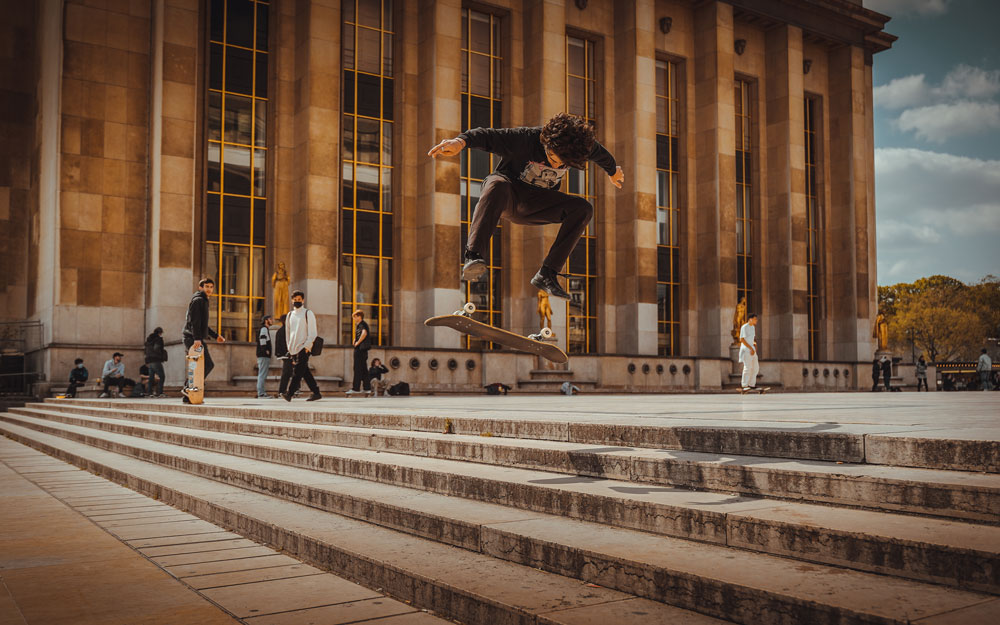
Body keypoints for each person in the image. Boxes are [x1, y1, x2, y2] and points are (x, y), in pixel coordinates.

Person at [428, 112, 624, 299]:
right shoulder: (526, 138)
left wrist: (613, 171)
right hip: (508, 197)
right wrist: (460, 142)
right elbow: (487, 136)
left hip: (536, 205)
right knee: (497, 183)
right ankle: (473, 256)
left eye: (562, 164)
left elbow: (603, 156)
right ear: (547, 143)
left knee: (583, 209)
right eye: (553, 158)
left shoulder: (580, 147)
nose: (556, 166)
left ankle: (548, 273)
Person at [182, 277, 226, 403]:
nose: (209, 289)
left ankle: (187, 394)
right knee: (207, 364)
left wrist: (216, 335)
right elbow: (195, 321)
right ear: (200, 288)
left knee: (196, 366)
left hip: (194, 337)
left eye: (211, 287)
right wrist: (196, 338)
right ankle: (187, 388)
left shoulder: (203, 300)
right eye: (206, 287)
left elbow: (203, 324)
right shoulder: (198, 300)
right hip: (192, 338)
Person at [282, 290, 321, 402]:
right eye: (295, 299)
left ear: (303, 300)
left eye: (299, 299)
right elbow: (288, 333)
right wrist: (289, 348)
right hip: (293, 349)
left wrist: (306, 347)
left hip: (304, 348)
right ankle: (316, 392)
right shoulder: (289, 315)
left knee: (298, 372)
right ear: (292, 300)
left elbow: (313, 333)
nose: (297, 301)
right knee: (304, 372)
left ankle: (289, 393)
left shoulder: (308, 313)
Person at [347, 310, 372, 395]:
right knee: (364, 369)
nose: (353, 319)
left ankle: (356, 388)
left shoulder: (362, 324)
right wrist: (355, 339)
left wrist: (358, 342)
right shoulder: (360, 325)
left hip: (360, 350)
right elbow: (362, 333)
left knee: (357, 368)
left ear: (359, 316)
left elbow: (364, 333)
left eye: (354, 317)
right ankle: (367, 388)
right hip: (363, 350)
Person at [738, 313, 759, 393]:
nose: (756, 320)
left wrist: (754, 345)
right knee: (747, 367)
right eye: (755, 319)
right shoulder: (744, 327)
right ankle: (744, 385)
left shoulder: (753, 327)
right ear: (750, 319)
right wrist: (750, 348)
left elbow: (751, 339)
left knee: (756, 367)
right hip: (746, 349)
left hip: (752, 349)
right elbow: (742, 339)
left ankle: (751, 384)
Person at [273, 313, 293, 398]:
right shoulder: (285, 331)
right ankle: (282, 390)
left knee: (289, 372)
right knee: (287, 373)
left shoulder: (281, 330)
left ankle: (286, 390)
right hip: (287, 354)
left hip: (284, 354)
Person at [144, 327, 167, 398]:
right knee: (162, 376)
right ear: (160, 333)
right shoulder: (158, 339)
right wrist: (161, 354)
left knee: (151, 377)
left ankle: (149, 393)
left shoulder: (148, 340)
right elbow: (157, 348)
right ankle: (160, 393)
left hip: (149, 360)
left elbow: (146, 350)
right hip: (156, 359)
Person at [256, 315, 274, 398]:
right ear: (266, 320)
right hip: (263, 355)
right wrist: (265, 350)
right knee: (262, 374)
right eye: (270, 319)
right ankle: (261, 393)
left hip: (262, 354)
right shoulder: (264, 329)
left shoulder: (264, 329)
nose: (272, 320)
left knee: (262, 373)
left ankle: (261, 392)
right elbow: (262, 339)